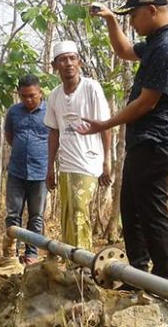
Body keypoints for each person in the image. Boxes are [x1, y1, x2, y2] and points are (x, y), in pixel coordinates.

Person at [83, 0, 168, 282]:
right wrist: (110, 20)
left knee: (151, 212)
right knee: (131, 208)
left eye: (133, 16)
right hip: (146, 141)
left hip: (158, 140)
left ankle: (164, 280)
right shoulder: (156, 41)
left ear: (152, 10)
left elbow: (146, 102)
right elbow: (125, 51)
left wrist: (103, 124)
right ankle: (139, 273)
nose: (132, 22)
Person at [44, 40, 111, 251]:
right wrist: (50, 167)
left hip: (90, 161)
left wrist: (107, 161)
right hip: (66, 164)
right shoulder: (55, 95)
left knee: (80, 211)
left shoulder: (91, 88)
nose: (68, 63)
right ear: (55, 66)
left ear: (79, 62)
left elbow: (105, 125)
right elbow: (54, 131)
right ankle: (71, 263)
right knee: (68, 215)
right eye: (63, 60)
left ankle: (84, 267)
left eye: (72, 58)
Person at [1, 74, 49, 265]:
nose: (28, 100)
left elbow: (55, 138)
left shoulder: (50, 112)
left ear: (40, 93)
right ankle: (11, 255)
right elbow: (9, 136)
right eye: (24, 96)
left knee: (36, 216)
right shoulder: (13, 112)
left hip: (41, 172)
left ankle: (31, 254)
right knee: (13, 215)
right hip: (16, 171)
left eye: (32, 95)